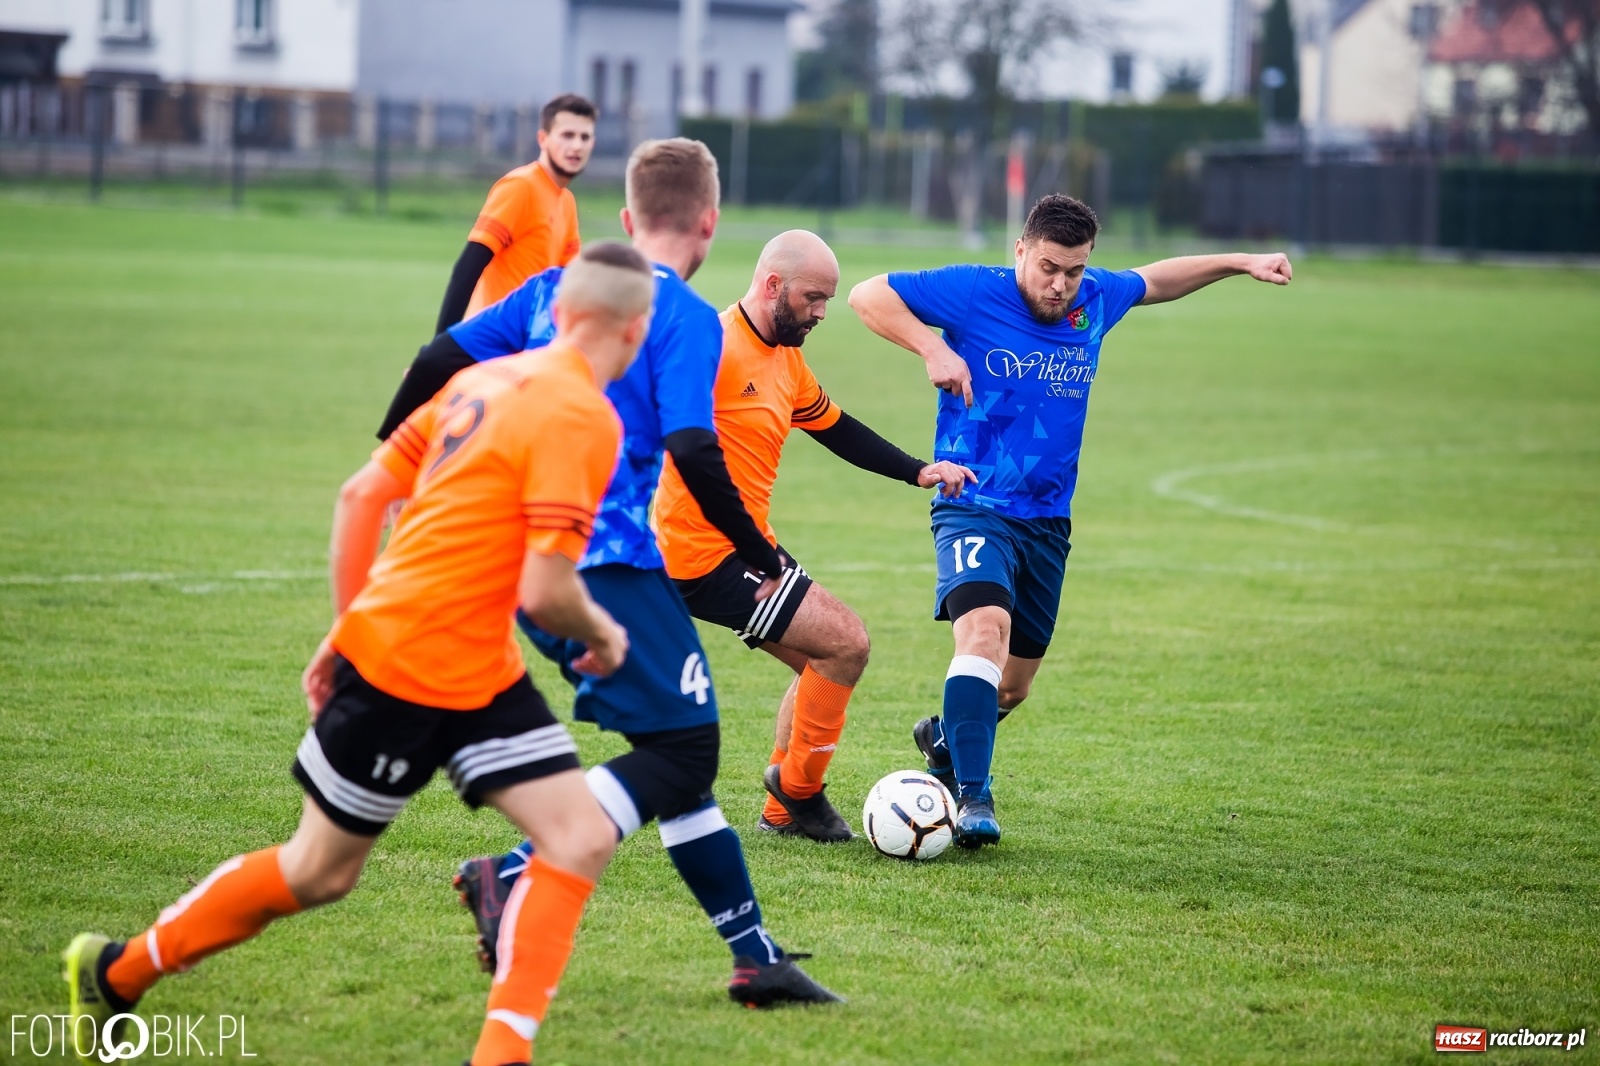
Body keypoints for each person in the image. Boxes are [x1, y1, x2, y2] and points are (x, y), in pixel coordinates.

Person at [64, 242, 654, 1066]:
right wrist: (605, 634)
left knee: (579, 837)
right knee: (319, 873)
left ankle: (501, 1056)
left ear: (559, 313)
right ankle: (115, 971)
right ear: (635, 331)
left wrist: (350, 625)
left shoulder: (477, 380)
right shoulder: (587, 415)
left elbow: (362, 493)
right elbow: (547, 592)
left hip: (477, 668)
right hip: (408, 671)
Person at [379, 139, 840, 1006]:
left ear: (625, 219)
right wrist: (755, 548)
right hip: (610, 561)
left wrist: (394, 464)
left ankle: (755, 957)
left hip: (526, 563)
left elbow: (440, 358)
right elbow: (693, 445)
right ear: (710, 222)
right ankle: (511, 871)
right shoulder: (688, 315)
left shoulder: (558, 289)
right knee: (686, 746)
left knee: (677, 756)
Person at [849, 194, 1293, 848]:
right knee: (984, 633)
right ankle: (973, 797)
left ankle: (947, 739)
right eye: (1049, 267)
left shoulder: (1093, 301)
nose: (1059, 285)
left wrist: (1241, 260)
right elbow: (866, 295)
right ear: (1021, 251)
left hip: (1048, 521)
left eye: (1074, 271)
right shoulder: (974, 292)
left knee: (1012, 689)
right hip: (972, 501)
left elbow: (1156, 280)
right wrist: (930, 350)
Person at [653, 229, 975, 842]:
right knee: (847, 643)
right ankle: (799, 791)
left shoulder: (786, 359)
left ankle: (781, 814)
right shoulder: (714, 345)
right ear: (773, 286)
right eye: (813, 298)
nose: (822, 312)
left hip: (744, 548)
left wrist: (919, 471)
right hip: (703, 553)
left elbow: (837, 429)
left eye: (827, 300)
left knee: (820, 668)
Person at [435, 93, 596, 333]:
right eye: (567, 135)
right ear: (543, 139)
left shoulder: (566, 202)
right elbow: (467, 269)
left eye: (585, 137)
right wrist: (438, 352)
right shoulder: (521, 187)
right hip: (492, 344)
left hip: (527, 348)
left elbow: (570, 281)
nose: (577, 146)